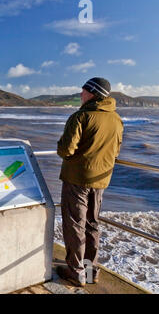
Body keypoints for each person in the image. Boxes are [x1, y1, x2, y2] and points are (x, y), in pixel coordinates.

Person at [56, 77, 123, 287]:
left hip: (77, 179)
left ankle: (76, 272)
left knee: (75, 224)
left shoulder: (81, 116)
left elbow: (66, 149)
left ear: (92, 93)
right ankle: (91, 270)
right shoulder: (116, 119)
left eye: (83, 91)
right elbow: (116, 150)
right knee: (92, 224)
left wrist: (61, 145)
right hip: (101, 180)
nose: (80, 95)